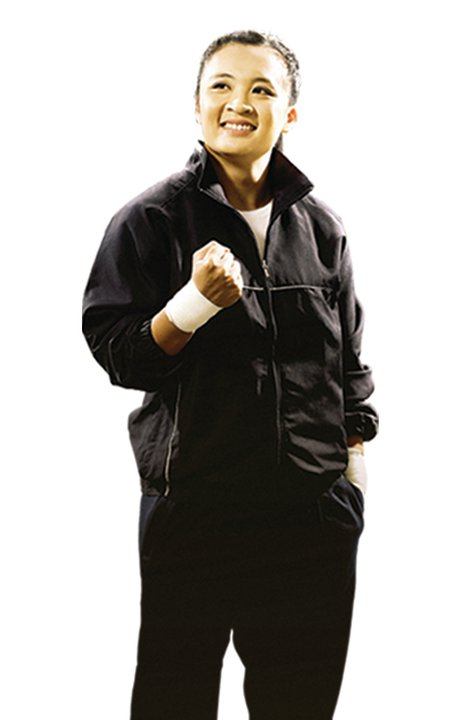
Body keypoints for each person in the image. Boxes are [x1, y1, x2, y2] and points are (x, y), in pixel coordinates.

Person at [82, 29, 379, 720]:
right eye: (221, 85)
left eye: (261, 88)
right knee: (175, 699)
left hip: (310, 516)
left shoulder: (323, 228)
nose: (238, 102)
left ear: (289, 112)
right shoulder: (150, 219)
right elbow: (117, 351)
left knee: (300, 704)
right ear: (197, 105)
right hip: (195, 512)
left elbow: (349, 365)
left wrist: (352, 481)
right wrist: (190, 306)